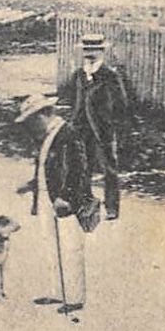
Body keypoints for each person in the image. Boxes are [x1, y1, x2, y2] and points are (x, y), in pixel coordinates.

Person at [14, 93, 98, 316]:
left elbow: (79, 170)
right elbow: (47, 169)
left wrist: (66, 196)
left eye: (33, 119)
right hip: (45, 197)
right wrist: (32, 185)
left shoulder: (68, 134)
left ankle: (74, 297)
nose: (31, 126)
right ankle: (56, 291)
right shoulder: (47, 136)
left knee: (70, 247)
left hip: (64, 200)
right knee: (50, 245)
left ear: (45, 114)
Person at [57, 32, 129, 220]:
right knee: (81, 166)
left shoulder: (110, 76)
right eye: (87, 50)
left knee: (109, 169)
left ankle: (112, 208)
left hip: (103, 130)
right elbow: (72, 99)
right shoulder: (79, 75)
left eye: (94, 50)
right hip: (81, 129)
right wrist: (72, 121)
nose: (90, 54)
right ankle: (83, 203)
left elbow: (121, 106)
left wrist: (115, 129)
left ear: (102, 51)